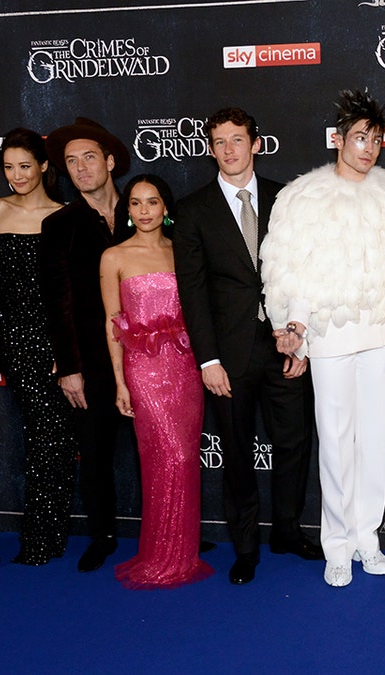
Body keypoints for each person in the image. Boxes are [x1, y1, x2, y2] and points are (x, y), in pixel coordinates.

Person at [262, 89, 385, 588]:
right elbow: (292, 270)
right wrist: (294, 329)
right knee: (335, 442)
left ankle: (367, 538)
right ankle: (338, 546)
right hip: (328, 338)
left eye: (375, 140)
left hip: (378, 333)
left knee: (373, 440)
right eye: (359, 138)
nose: (367, 148)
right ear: (339, 140)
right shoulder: (305, 196)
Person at [173, 107, 320, 586]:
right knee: (235, 451)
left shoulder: (287, 199)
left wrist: (303, 340)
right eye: (220, 141)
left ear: (256, 143)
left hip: (284, 345)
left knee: (294, 442)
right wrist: (207, 359)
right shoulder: (194, 209)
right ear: (209, 147)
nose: (229, 149)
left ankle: (287, 530)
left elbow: (305, 274)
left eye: (238, 139)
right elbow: (191, 292)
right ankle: (245, 546)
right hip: (228, 355)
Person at [101, 174, 214, 589]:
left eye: (152, 202)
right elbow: (113, 323)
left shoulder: (181, 250)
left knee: (185, 458)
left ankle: (182, 554)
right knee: (164, 458)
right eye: (136, 203)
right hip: (144, 371)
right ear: (127, 209)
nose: (144, 210)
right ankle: (159, 556)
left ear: (166, 208)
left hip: (186, 366)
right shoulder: (114, 256)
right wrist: (119, 381)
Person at [0, 128, 79, 566]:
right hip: (12, 338)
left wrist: (68, 347)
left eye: (25, 166)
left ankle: (43, 535)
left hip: (53, 336)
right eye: (8, 167)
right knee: (45, 434)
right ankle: (41, 537)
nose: (16, 176)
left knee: (53, 436)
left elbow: (69, 291)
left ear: (43, 166)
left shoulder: (64, 215)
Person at [39, 117, 130, 573]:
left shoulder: (145, 212)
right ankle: (102, 535)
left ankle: (173, 531)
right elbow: (58, 302)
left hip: (152, 355)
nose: (80, 168)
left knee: (160, 449)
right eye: (71, 162)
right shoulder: (60, 225)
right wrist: (68, 367)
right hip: (91, 359)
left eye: (89, 157)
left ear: (110, 161)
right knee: (94, 452)